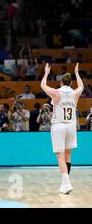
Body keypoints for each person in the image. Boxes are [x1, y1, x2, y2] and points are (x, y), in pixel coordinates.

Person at [40, 63, 83, 194]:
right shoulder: (75, 93)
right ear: (70, 83)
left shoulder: (57, 93)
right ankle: (65, 183)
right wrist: (77, 73)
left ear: (60, 82)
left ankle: (66, 183)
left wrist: (46, 73)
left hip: (59, 125)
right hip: (71, 126)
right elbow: (81, 86)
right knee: (68, 155)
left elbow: (43, 85)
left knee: (60, 156)